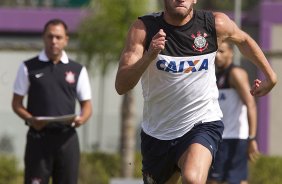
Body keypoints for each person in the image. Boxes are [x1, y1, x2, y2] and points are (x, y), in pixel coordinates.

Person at [115, 0, 277, 183]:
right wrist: (149, 56)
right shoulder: (143, 29)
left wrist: (271, 76)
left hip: (202, 124)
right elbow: (121, 85)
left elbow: (244, 40)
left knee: (193, 179)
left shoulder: (214, 24)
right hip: (158, 133)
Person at [12, 19, 92, 184]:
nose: (54, 41)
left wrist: (81, 119)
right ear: (44, 38)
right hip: (38, 139)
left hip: (67, 139)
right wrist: (30, 119)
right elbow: (17, 103)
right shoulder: (28, 67)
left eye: (58, 37)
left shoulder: (78, 70)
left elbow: (87, 105)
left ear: (66, 40)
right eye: (50, 37)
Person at [207, 41, 260, 184]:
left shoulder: (236, 73)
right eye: (215, 52)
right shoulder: (214, 76)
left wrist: (252, 138)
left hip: (234, 138)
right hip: (218, 138)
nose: (218, 56)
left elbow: (251, 105)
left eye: (222, 51)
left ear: (231, 52)